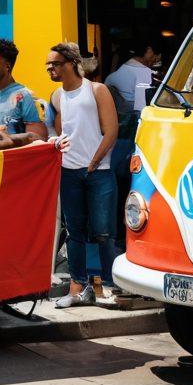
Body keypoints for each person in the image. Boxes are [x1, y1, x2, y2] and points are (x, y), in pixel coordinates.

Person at [47, 42, 119, 308]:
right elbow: (56, 130)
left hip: (98, 172)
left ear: (70, 64)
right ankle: (77, 288)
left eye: (54, 64)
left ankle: (106, 288)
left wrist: (94, 161)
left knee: (103, 232)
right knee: (75, 232)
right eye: (48, 64)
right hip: (68, 171)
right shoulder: (56, 96)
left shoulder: (96, 90)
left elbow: (111, 131)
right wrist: (56, 144)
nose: (49, 68)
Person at [0, 38, 47, 145]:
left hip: (9, 158)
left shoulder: (25, 96)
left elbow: (38, 138)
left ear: (7, 66)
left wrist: (4, 139)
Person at [105, 39, 159, 115]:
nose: (155, 58)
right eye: (154, 54)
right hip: (130, 118)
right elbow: (141, 107)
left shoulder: (118, 72)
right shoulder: (144, 72)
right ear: (148, 51)